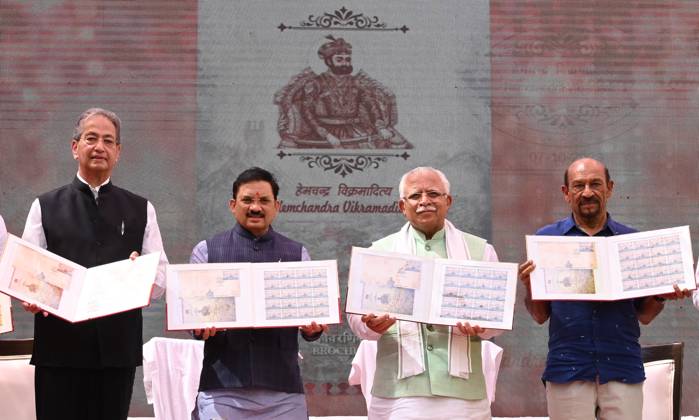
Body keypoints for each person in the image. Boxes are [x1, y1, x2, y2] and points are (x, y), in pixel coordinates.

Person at [21, 108, 169, 420]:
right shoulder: (44, 206)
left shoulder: (142, 208)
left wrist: (139, 273)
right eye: (91, 138)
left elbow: (161, 278)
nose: (99, 147)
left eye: (108, 140)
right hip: (58, 351)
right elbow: (26, 273)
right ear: (75, 147)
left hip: (117, 352)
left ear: (118, 152)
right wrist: (32, 296)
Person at [518, 157, 690, 420]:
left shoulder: (631, 241)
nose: (587, 192)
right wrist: (530, 286)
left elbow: (644, 314)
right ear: (566, 193)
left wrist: (660, 295)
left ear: (609, 188)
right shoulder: (546, 240)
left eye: (595, 184)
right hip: (568, 368)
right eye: (578, 185)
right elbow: (540, 316)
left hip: (622, 366)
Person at [348, 166, 501, 420]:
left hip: (462, 392)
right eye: (415, 196)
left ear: (448, 200)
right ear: (402, 206)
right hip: (400, 391)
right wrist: (373, 326)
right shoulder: (379, 252)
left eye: (433, 194)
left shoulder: (481, 251)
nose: (424, 201)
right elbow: (357, 322)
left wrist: (481, 327)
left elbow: (497, 321)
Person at [190, 167, 327, 420]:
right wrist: (198, 326)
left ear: (277, 206)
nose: (255, 207)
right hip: (222, 391)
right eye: (247, 200)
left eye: (264, 201)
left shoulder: (297, 255)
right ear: (233, 205)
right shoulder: (206, 252)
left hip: (284, 393)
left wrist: (313, 328)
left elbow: (312, 320)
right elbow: (193, 316)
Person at [275, 35, 411, 149]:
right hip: (324, 131)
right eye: (339, 59)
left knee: (396, 144)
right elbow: (307, 111)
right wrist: (326, 135)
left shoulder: (357, 82)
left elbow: (371, 105)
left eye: (347, 59)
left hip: (356, 129)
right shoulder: (315, 83)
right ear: (328, 61)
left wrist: (380, 127)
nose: (345, 63)